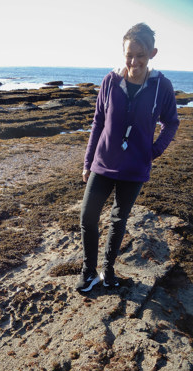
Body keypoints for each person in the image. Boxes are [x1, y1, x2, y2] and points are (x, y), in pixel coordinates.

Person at [76, 23, 179, 293]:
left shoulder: (162, 87)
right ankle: (89, 272)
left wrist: (154, 150)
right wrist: (88, 162)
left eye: (140, 55)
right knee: (87, 216)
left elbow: (171, 122)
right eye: (128, 55)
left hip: (135, 168)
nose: (134, 61)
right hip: (103, 163)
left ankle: (107, 270)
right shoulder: (110, 81)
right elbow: (98, 122)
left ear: (152, 53)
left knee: (118, 220)